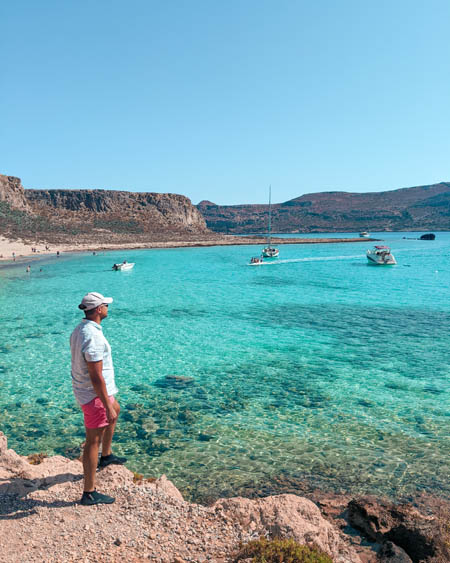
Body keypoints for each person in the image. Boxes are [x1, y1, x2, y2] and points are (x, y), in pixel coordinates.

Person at [70, 291, 127, 506]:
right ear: (99, 310)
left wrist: (110, 405)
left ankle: (107, 455)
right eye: (106, 305)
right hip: (94, 395)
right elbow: (95, 376)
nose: (108, 308)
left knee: (117, 410)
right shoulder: (92, 336)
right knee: (92, 440)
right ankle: (89, 492)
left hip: (90, 391)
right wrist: (105, 403)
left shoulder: (81, 329)